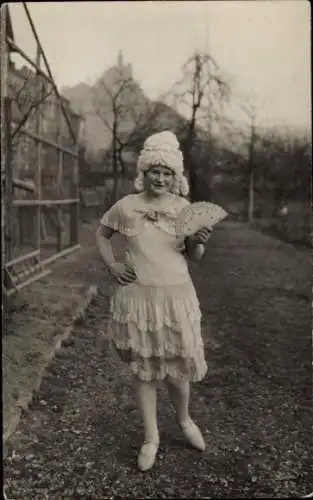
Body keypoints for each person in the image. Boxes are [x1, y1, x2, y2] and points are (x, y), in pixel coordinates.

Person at [96, 130, 212, 472]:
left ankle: (184, 419)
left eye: (167, 173)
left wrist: (199, 241)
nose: (160, 178)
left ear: (176, 177)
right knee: (144, 372)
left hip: (175, 297)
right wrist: (112, 264)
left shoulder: (184, 208)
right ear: (143, 173)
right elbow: (102, 235)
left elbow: (196, 256)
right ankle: (151, 437)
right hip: (138, 298)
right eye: (154, 171)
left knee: (177, 372)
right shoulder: (127, 206)